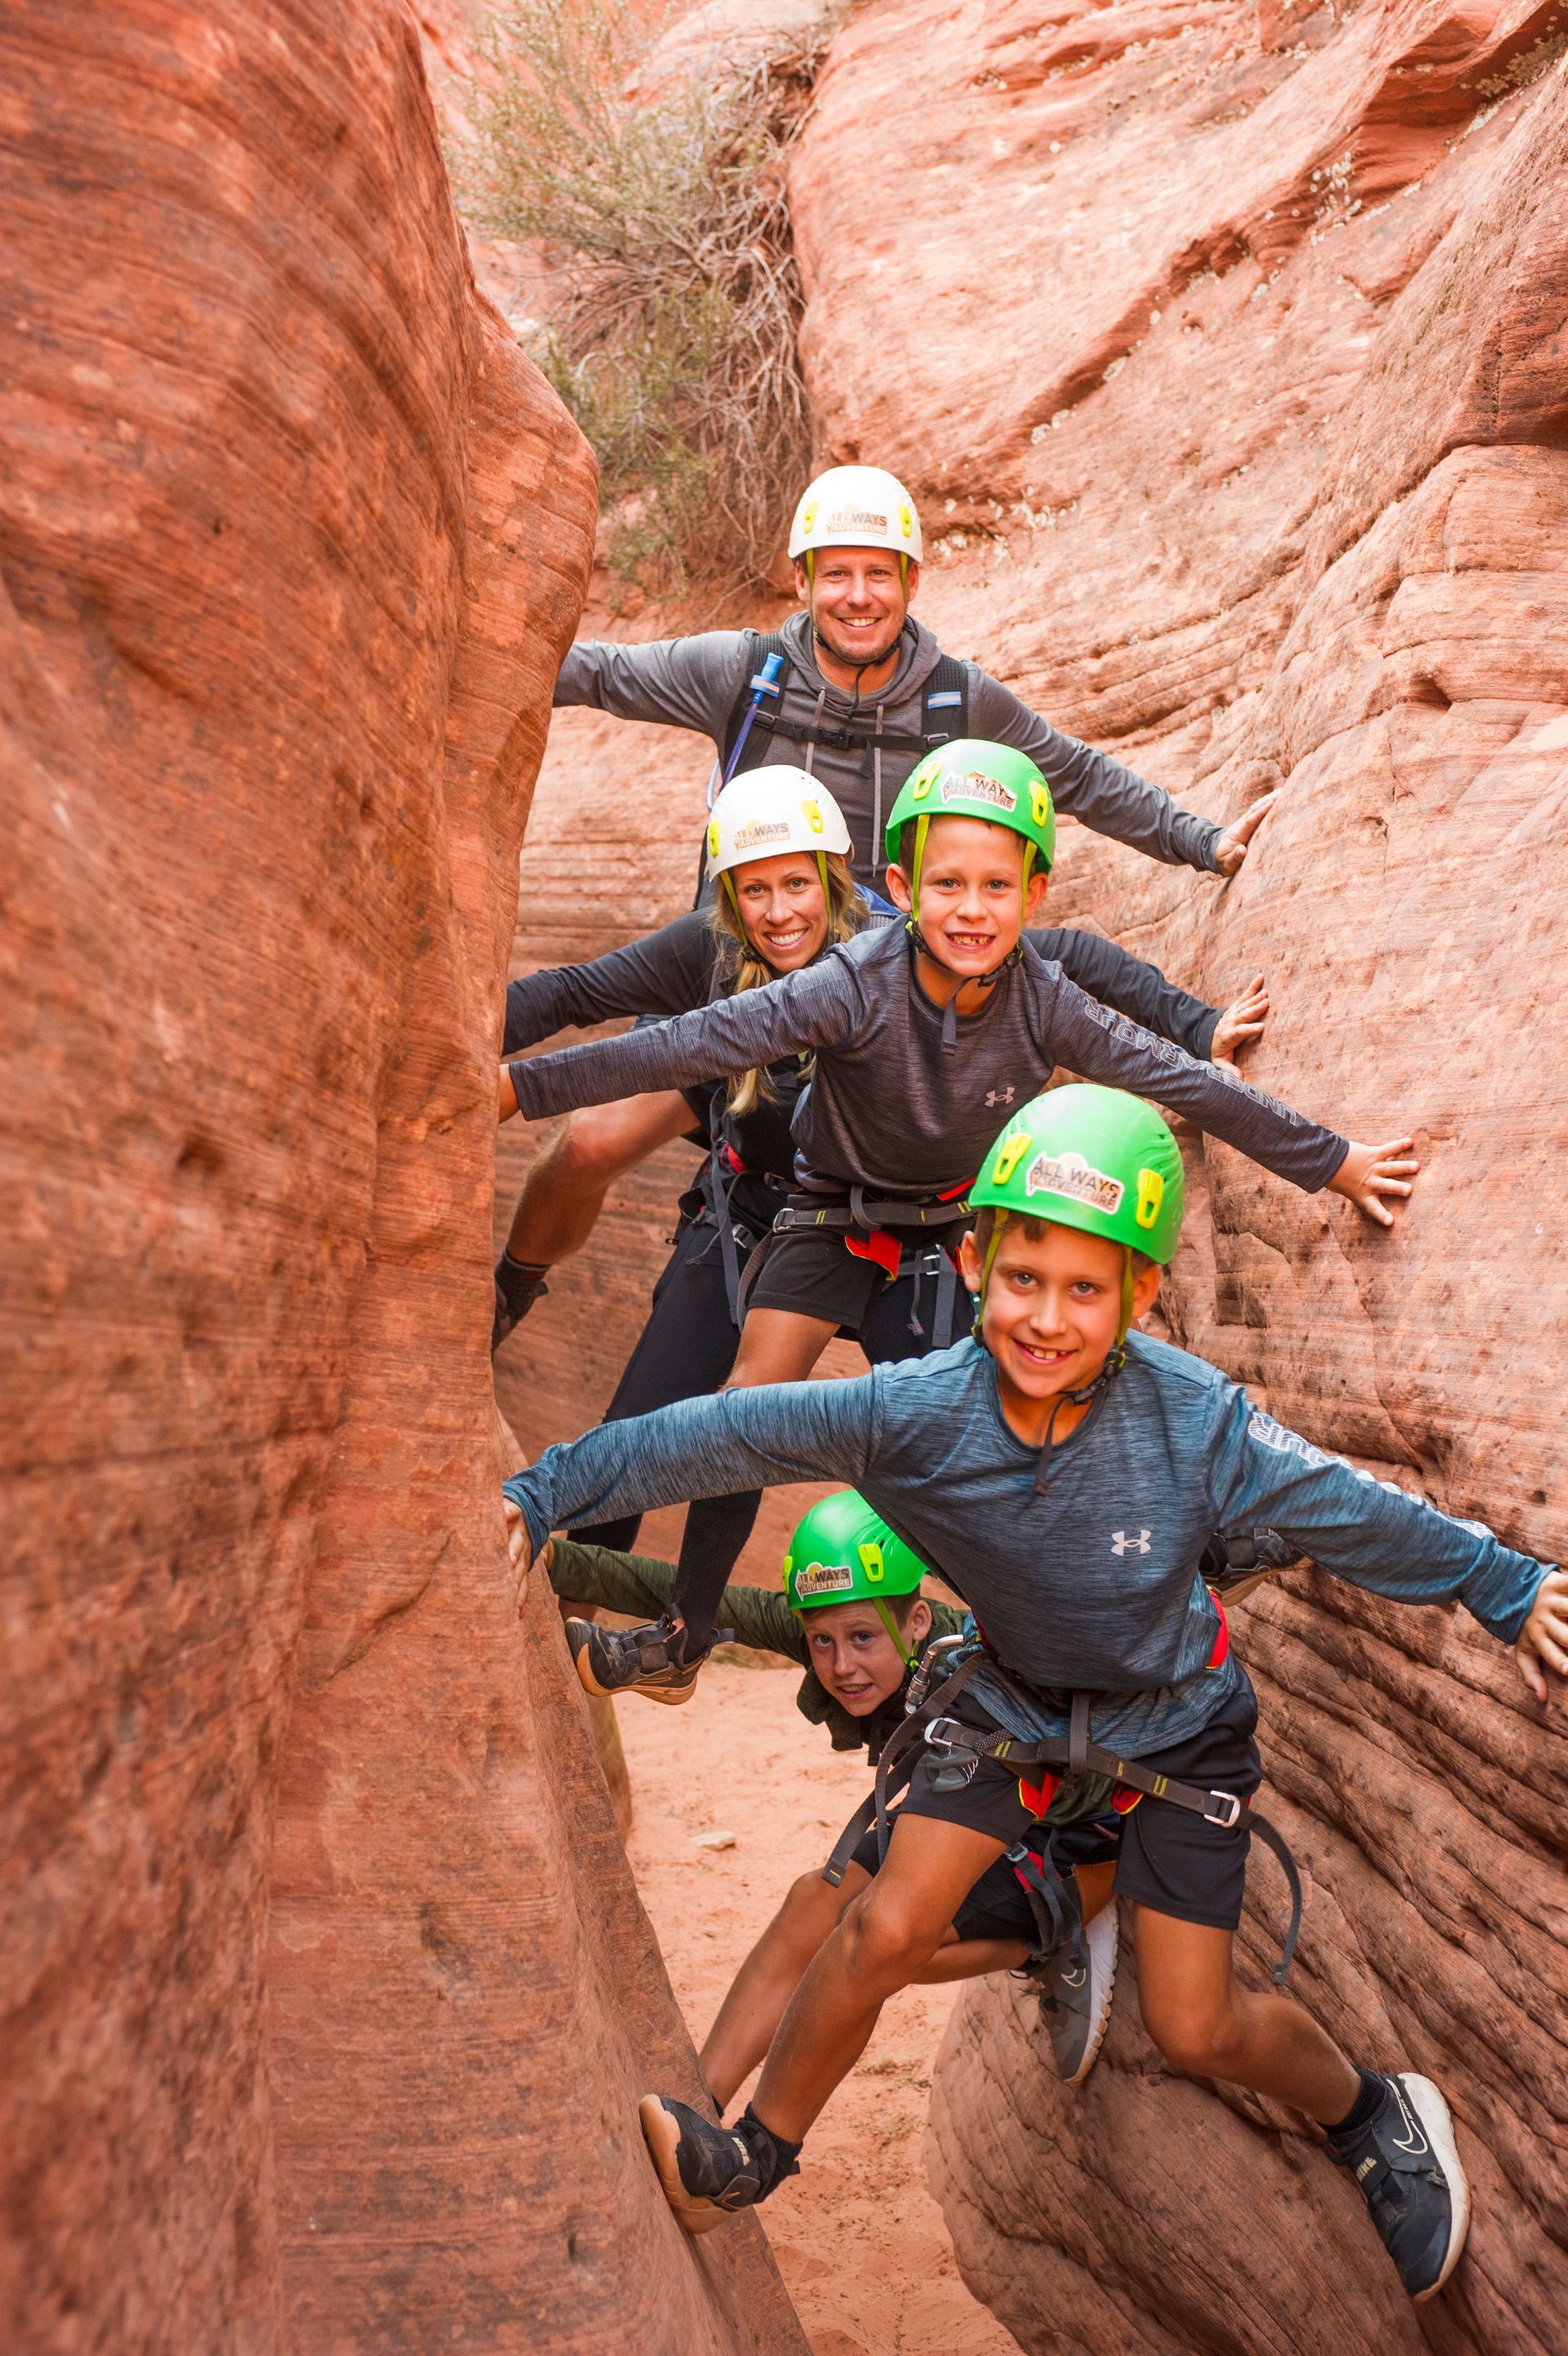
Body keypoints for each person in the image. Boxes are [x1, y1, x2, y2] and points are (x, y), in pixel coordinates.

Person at [501, 1085, 1566, 2304]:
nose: (1046, 1317)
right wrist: (546, 1491)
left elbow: (1347, 1509)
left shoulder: (1192, 1420)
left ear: (1140, 1299)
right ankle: (752, 2155)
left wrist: (1503, 1584)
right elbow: (723, 1437)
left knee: (1196, 2027)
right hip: (1016, 1707)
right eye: (1023, 1277)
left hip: (1177, 1728)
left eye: (1085, 1289)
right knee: (881, 1924)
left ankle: (1368, 2110)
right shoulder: (912, 1414)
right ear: (973, 1261)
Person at [501, 741, 1419, 1702]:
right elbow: (676, 1044)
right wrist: (516, 1089)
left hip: (941, 1236)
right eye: (948, 884)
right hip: (827, 1216)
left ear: (1034, 893)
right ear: (904, 885)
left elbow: (1178, 1077)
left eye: (996, 886)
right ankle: (688, 1632)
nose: (971, 909)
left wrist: (1337, 1162)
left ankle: (1190, 1559)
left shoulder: (1045, 1001)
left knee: (975, 1436)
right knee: (751, 1401)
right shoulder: (851, 981)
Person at [492, 775, 1268, 1349]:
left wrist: (1197, 1029)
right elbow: (582, 995)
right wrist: (475, 1053)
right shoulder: (714, 942)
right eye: (756, 890)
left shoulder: (900, 939)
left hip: (846, 1146)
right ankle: (512, 1287)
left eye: (799, 884)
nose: (781, 910)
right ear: (731, 897)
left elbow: (1074, 958)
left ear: (842, 884)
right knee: (594, 1139)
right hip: (733, 1092)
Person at [545, 1490, 1143, 2089]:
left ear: (917, 1621)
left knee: (876, 1933)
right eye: (821, 1641)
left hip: (1076, 1841)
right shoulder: (836, 1627)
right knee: (814, 1901)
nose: (840, 1666)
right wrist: (549, 1559)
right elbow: (687, 1593)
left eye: (862, 1638)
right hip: (967, 1818)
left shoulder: (987, 1659)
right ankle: (695, 2106)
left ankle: (1053, 1941)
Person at [551, 464, 1275, 888]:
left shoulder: (956, 701)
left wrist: (1200, 841)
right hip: (745, 957)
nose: (858, 597)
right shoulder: (742, 673)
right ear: (801, 580)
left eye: (878, 574)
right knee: (596, 1135)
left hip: (878, 986)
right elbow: (597, 673)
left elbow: (1076, 778)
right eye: (836, 574)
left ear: (913, 582)